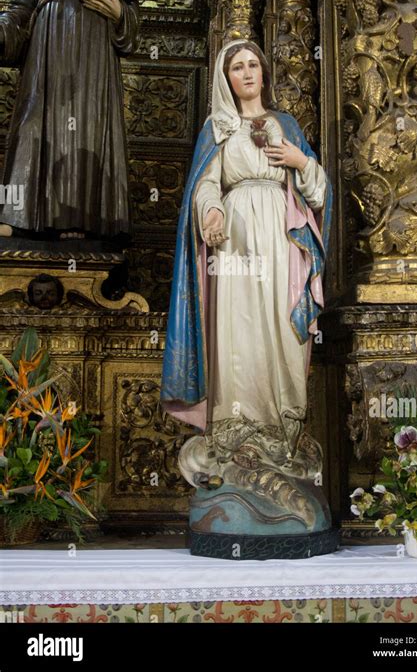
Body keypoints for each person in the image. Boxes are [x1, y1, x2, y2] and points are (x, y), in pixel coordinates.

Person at [161, 39, 334, 549]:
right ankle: (238, 441)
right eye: (236, 67)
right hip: (236, 242)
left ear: (263, 71)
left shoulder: (288, 126)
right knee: (236, 337)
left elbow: (319, 192)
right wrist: (210, 212)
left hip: (281, 240)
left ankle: (284, 437)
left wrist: (300, 161)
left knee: (283, 332)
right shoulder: (217, 130)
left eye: (252, 64)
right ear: (226, 78)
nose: (246, 72)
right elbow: (204, 186)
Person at [0, 0, 138, 240]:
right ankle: (17, 216)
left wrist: (120, 14)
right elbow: (19, 14)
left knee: (84, 131)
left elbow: (133, 28)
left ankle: (79, 219)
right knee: (34, 128)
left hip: (93, 69)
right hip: (45, 66)